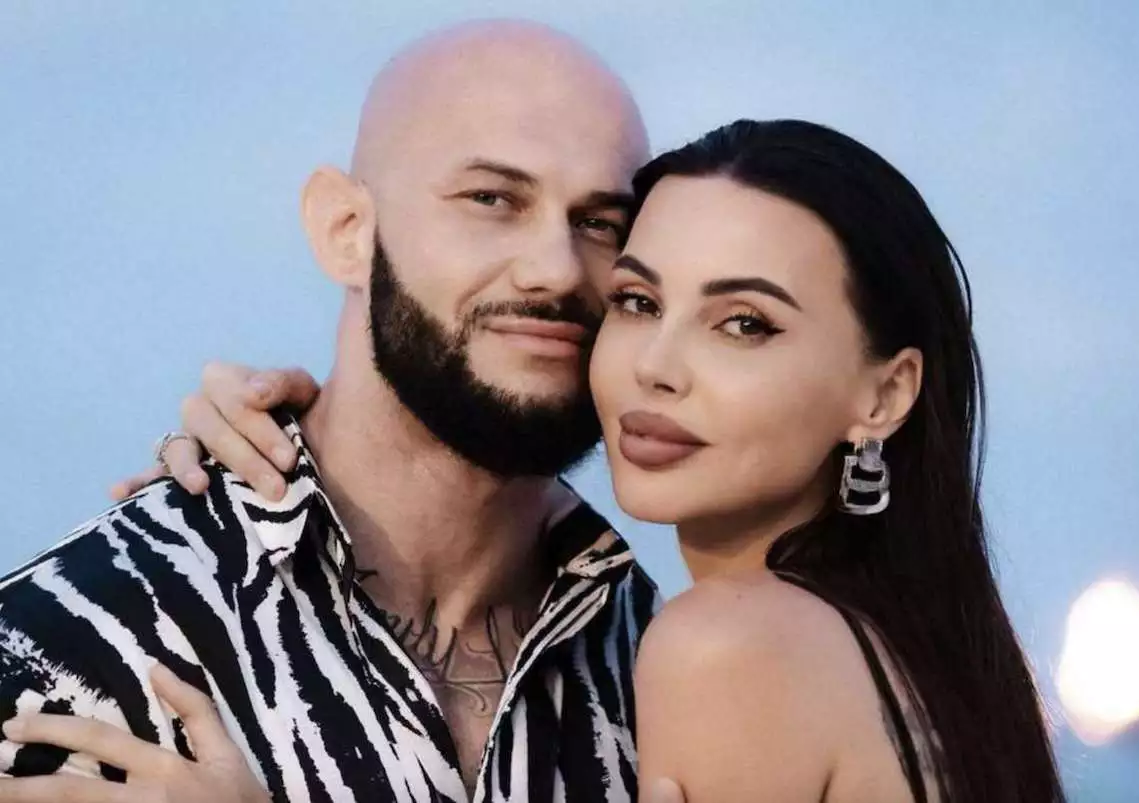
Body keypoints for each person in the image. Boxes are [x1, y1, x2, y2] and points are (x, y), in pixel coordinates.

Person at [11, 120, 1069, 801]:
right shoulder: (910, 660)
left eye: (744, 324)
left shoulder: (731, 647)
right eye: (639, 302)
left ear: (885, 392)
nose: (657, 366)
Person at [0, 19, 663, 803]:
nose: (556, 268)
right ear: (346, 230)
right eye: (491, 198)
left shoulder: (669, 673)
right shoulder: (66, 642)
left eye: (601, 223)